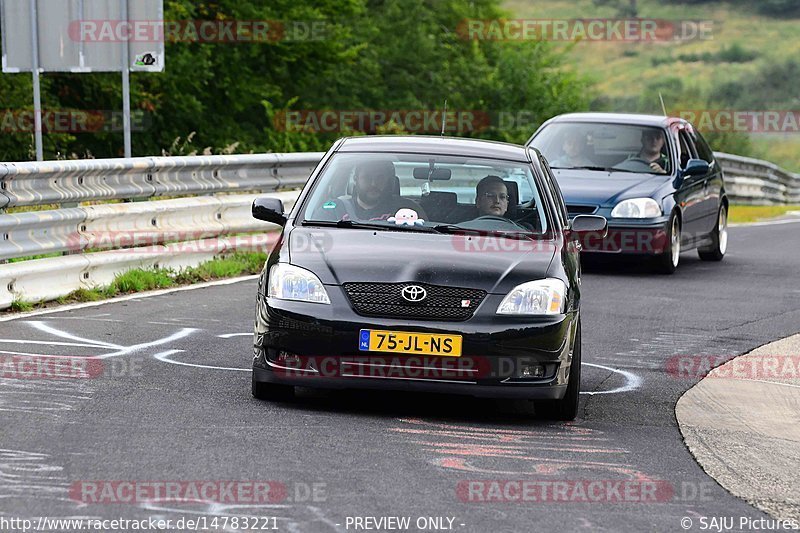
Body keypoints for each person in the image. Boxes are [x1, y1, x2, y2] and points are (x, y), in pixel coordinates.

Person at [335, 160, 426, 222]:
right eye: (367, 178)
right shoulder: (335, 209)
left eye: (380, 178)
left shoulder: (409, 210)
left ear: (389, 181)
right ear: (355, 179)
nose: (373, 184)